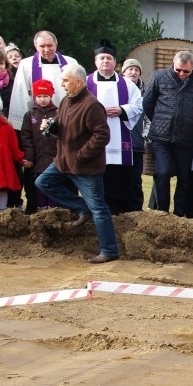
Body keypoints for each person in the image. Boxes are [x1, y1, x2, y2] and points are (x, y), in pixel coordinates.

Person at [35, 63, 120, 264]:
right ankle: (82, 207)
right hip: (62, 161)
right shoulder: (66, 101)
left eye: (65, 80)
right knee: (42, 182)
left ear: (79, 82)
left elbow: (102, 136)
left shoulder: (91, 105)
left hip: (85, 167)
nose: (62, 84)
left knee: (99, 208)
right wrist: (52, 127)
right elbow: (63, 127)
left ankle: (109, 250)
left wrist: (81, 155)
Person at [142, 51, 193, 217]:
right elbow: (147, 103)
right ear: (173, 64)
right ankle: (162, 213)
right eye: (178, 70)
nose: (182, 74)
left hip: (185, 138)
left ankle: (179, 214)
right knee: (162, 173)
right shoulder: (159, 77)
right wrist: (159, 121)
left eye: (186, 71)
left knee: (184, 178)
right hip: (161, 136)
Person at [86, 39, 143, 215]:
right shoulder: (86, 83)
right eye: (102, 58)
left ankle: (120, 210)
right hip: (94, 138)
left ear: (115, 62)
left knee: (119, 180)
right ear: (95, 61)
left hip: (120, 139)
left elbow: (139, 105)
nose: (105, 61)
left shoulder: (127, 84)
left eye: (109, 58)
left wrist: (121, 110)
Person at [8, 31, 78, 130]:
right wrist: (23, 125)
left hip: (68, 118)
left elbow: (78, 90)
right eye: (42, 46)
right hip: (39, 120)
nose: (46, 49)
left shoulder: (71, 63)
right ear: (36, 46)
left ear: (56, 45)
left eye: (50, 45)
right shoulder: (26, 65)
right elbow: (21, 95)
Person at [19, 79, 59, 212]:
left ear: (51, 96)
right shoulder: (30, 115)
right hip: (37, 160)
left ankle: (54, 211)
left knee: (54, 185)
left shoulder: (58, 113)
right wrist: (29, 158)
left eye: (45, 96)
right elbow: (26, 137)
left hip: (55, 159)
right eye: (39, 96)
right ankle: (41, 211)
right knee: (38, 186)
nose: (42, 99)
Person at [121, 58, 148, 211]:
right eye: (130, 69)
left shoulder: (146, 92)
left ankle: (136, 209)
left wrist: (145, 136)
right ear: (123, 72)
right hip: (118, 143)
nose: (133, 72)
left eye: (136, 69)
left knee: (135, 180)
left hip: (137, 144)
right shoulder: (118, 90)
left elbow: (149, 117)